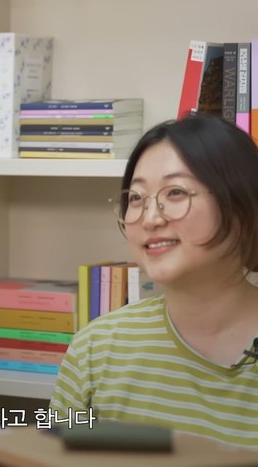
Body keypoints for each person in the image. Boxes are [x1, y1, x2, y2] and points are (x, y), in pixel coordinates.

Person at [50, 114, 258, 448]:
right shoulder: (95, 349)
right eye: (136, 198)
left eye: (175, 192)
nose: (150, 218)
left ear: (241, 207)